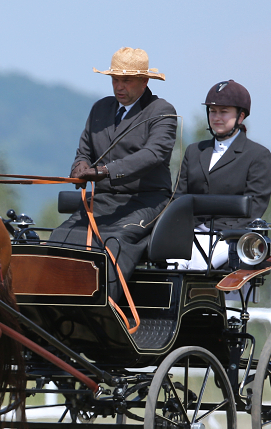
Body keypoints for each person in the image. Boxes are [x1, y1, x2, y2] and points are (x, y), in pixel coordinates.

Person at [50, 47, 177, 302]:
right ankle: (54, 305)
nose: (119, 86)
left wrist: (105, 172)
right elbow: (83, 150)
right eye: (115, 80)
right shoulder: (100, 109)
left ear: (144, 81)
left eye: (126, 80)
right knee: (59, 238)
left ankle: (103, 307)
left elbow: (153, 154)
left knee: (113, 241)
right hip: (104, 200)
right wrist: (80, 168)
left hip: (146, 201)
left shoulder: (162, 112)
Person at [168, 80, 271, 270]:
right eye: (212, 111)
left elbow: (255, 205)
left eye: (224, 112)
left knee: (199, 269)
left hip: (229, 238)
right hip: (191, 233)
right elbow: (179, 197)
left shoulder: (257, 155)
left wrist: (224, 235)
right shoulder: (194, 151)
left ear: (241, 116)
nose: (216, 117)